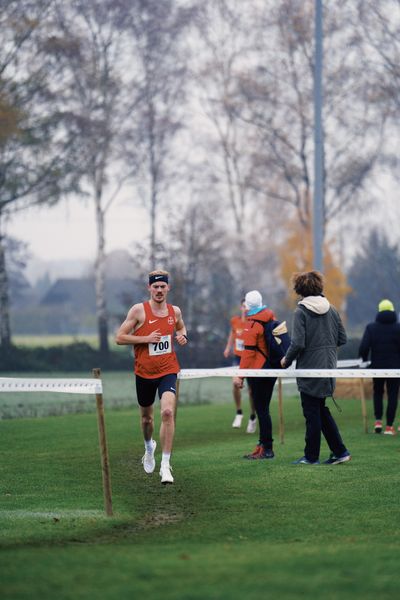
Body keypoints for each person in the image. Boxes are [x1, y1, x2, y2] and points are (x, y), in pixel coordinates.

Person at [115, 269, 188, 484]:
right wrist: (146, 338)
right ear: (149, 288)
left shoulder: (175, 312)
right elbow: (119, 337)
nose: (158, 290)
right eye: (155, 287)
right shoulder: (139, 311)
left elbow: (181, 328)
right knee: (147, 419)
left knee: (167, 412)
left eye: (162, 287)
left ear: (168, 288)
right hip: (144, 372)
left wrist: (183, 336)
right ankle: (149, 447)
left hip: (168, 369)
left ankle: (165, 466)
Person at [281, 271, 351, 465]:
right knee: (320, 410)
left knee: (312, 413)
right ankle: (340, 451)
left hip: (309, 370)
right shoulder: (333, 309)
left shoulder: (301, 312)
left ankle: (311, 457)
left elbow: (298, 344)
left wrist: (285, 361)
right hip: (329, 368)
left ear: (300, 290)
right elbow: (342, 339)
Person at [233, 290, 278, 459]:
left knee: (262, 410)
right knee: (262, 409)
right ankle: (262, 445)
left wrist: (240, 375)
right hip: (270, 368)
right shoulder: (270, 317)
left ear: (248, 306)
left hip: (259, 371)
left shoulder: (252, 325)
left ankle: (267, 449)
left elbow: (248, 353)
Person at [358, 299, 400, 435]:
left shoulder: (371, 327)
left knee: (378, 393)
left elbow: (364, 347)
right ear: (393, 311)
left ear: (379, 311)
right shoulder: (398, 327)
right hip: (395, 368)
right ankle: (389, 426)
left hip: (377, 367)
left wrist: (364, 360)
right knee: (393, 395)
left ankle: (378, 421)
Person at [223, 298, 257, 433]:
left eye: (247, 306)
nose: (245, 309)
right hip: (238, 358)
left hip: (250, 359)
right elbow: (232, 334)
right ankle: (239, 412)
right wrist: (227, 347)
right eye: (243, 306)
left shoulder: (253, 322)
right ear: (241, 307)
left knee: (251, 391)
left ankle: (253, 416)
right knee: (235, 384)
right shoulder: (235, 321)